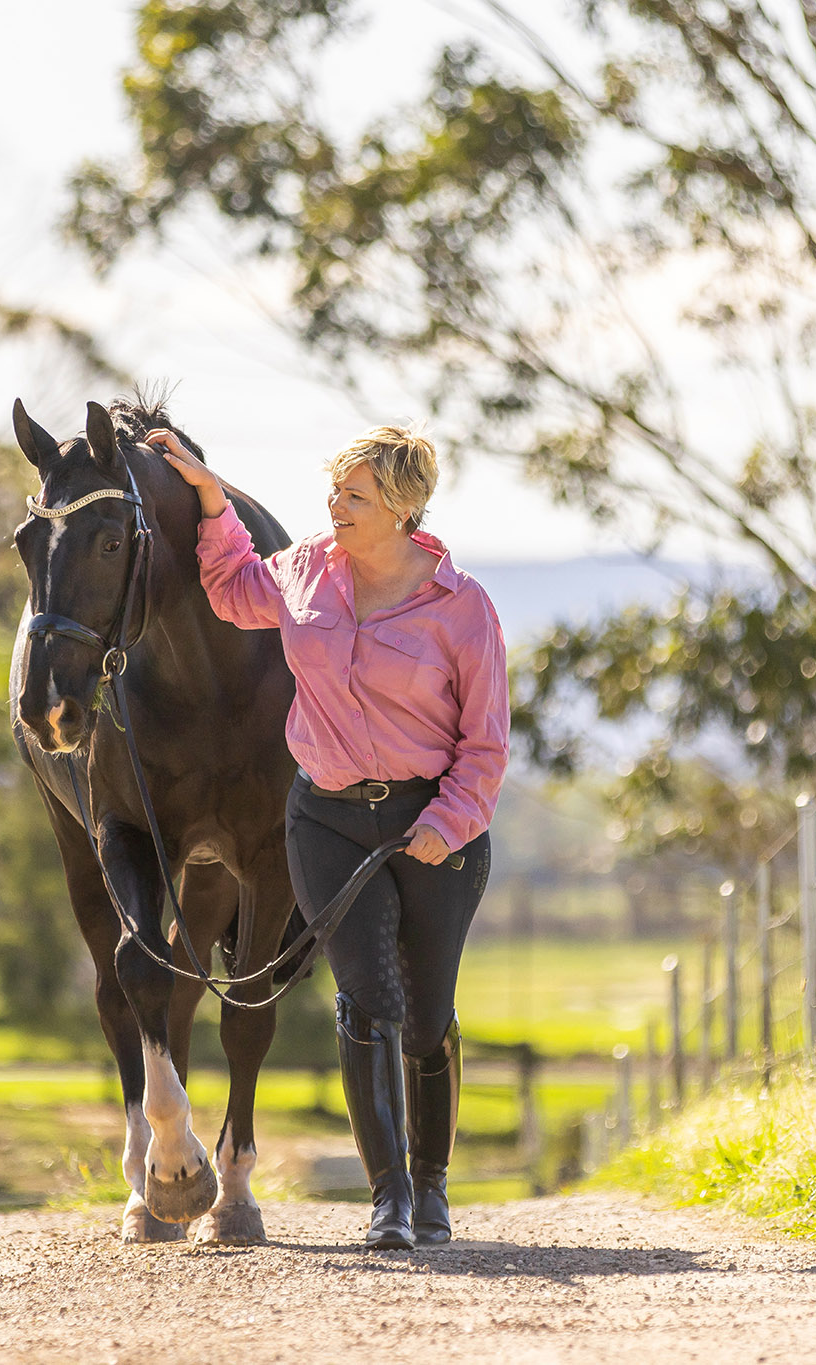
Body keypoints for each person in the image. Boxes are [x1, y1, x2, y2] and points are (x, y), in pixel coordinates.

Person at [147, 422, 509, 1251]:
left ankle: (430, 1188)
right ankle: (386, 1197)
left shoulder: (462, 607)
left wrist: (446, 823)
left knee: (425, 1017)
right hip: (327, 818)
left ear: (403, 507)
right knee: (365, 1002)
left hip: (436, 826)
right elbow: (234, 589)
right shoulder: (309, 568)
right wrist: (213, 497)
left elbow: (486, 745)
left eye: (354, 495)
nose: (334, 506)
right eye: (335, 491)